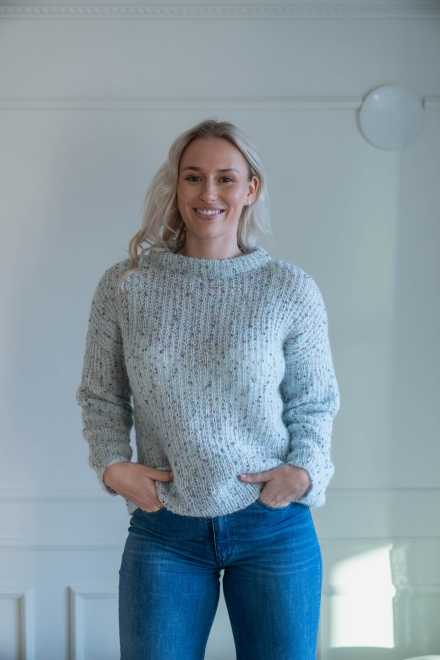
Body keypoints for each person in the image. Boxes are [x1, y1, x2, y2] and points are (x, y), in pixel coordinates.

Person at [76, 118, 340, 660]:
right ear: (176, 186)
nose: (208, 193)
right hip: (165, 531)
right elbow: (101, 394)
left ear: (250, 188)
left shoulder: (288, 288)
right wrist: (111, 465)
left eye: (226, 178)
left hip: (272, 527)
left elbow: (314, 400)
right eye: (194, 177)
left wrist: (305, 469)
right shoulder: (127, 285)